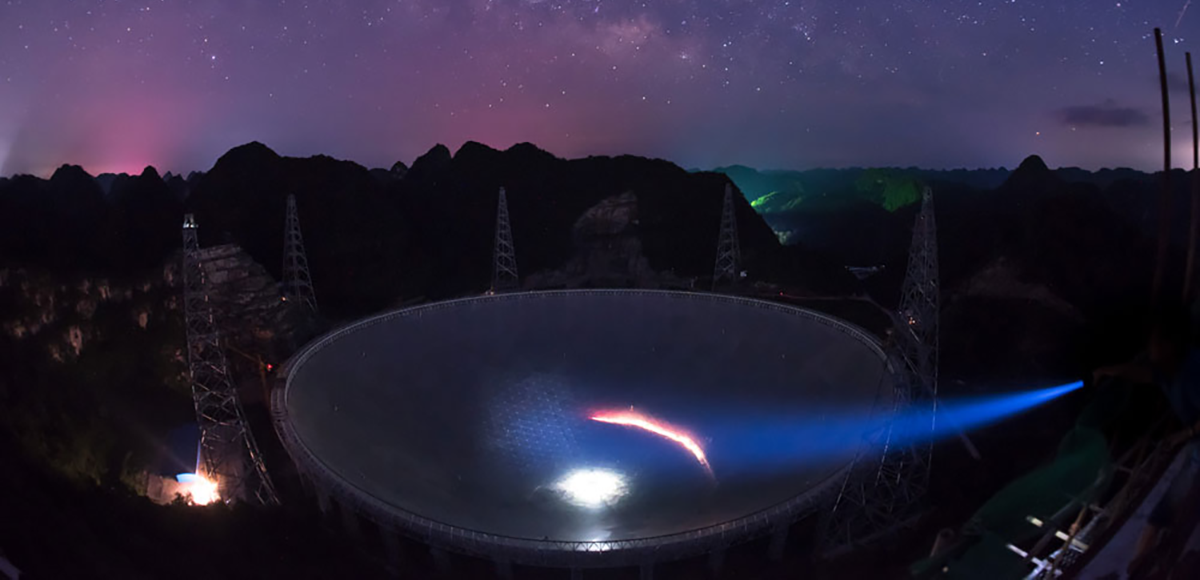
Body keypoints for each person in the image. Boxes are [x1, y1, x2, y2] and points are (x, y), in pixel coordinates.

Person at [1093, 307, 1200, 575]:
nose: (1150, 348)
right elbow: (1145, 375)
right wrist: (1112, 371)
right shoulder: (1169, 369)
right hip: (1195, 448)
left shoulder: (1193, 368)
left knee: (1178, 508)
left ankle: (1151, 562)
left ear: (1170, 343)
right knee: (1163, 513)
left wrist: (1185, 434)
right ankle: (1140, 565)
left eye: (1154, 342)